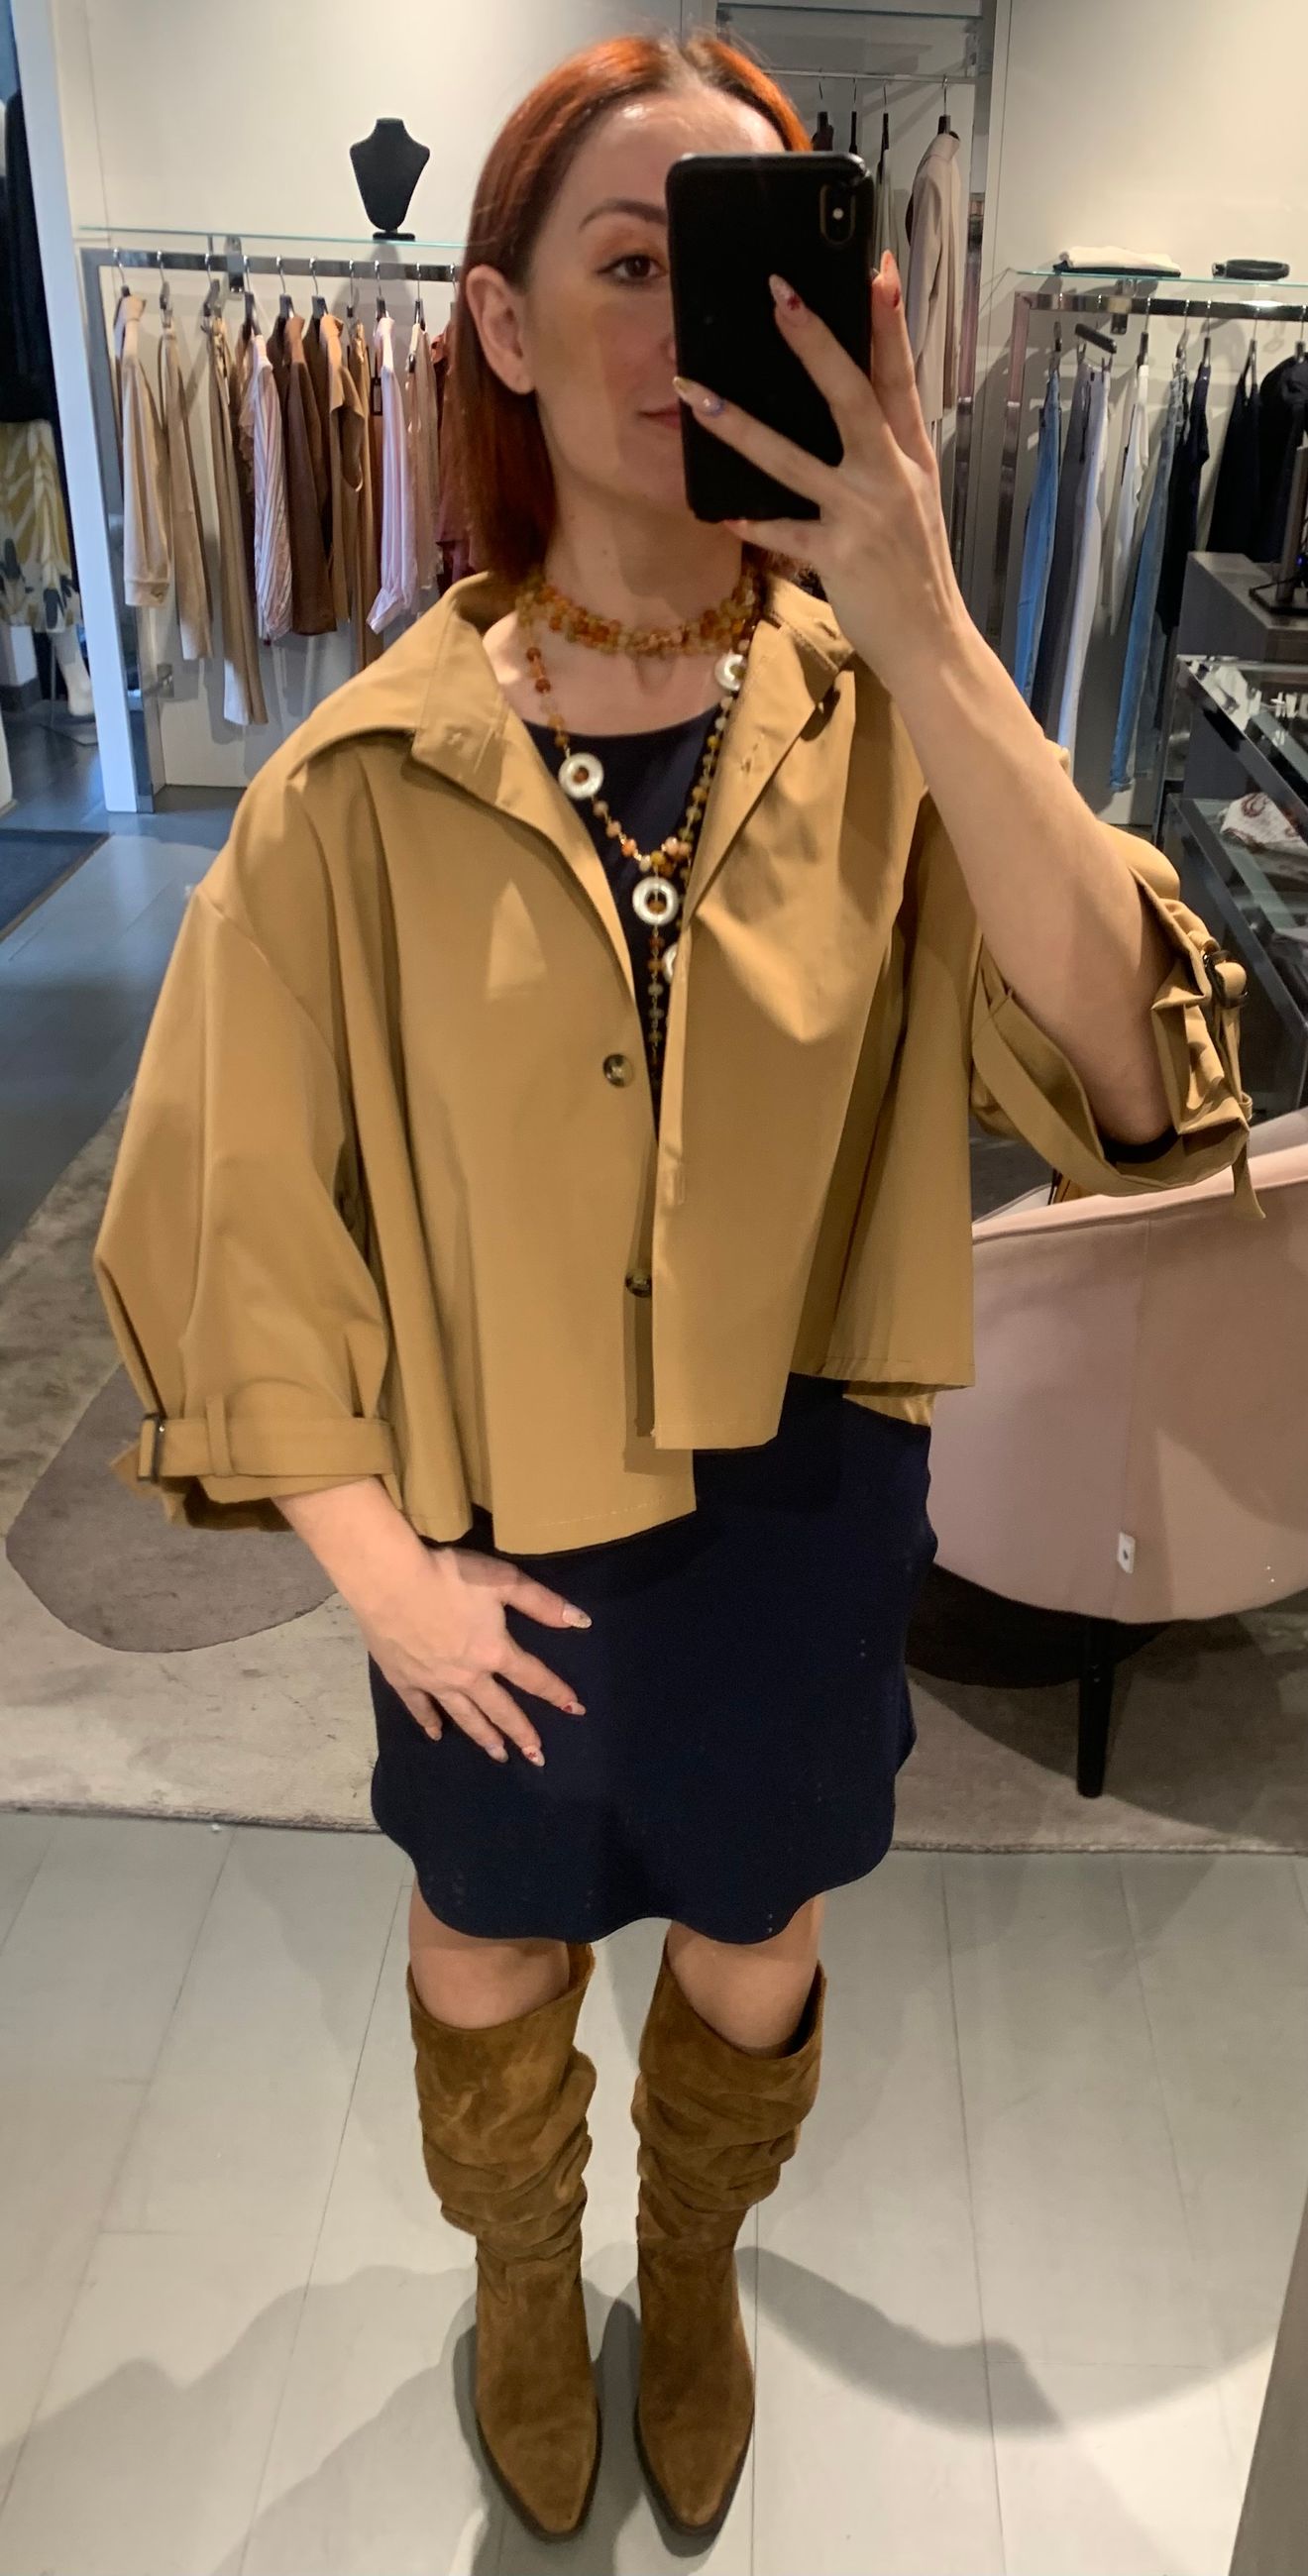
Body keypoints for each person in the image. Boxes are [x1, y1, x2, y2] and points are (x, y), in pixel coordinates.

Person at [92, 31, 1253, 2552]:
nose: (690, 324)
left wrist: (930, 635)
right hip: (484, 1528)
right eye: (631, 262)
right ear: (502, 325)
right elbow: (221, 1210)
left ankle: (693, 2264)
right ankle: (529, 2279)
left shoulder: (890, 737)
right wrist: (378, 1573)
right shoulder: (355, 784)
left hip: (802, 1515)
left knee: (751, 1942)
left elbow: (1142, 1079)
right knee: (492, 1944)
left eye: (743, 263)